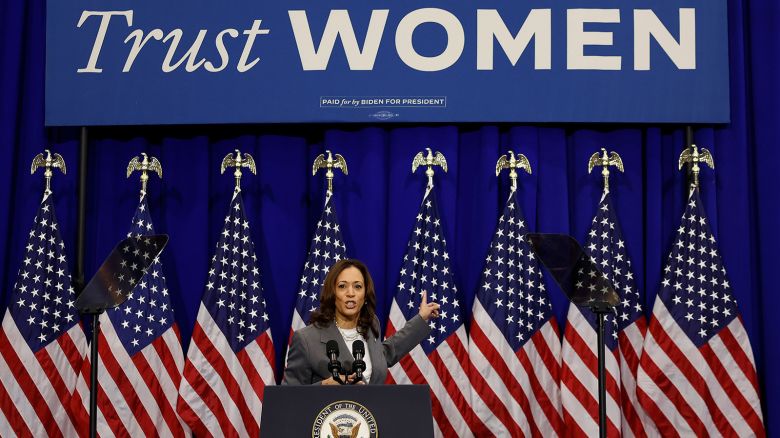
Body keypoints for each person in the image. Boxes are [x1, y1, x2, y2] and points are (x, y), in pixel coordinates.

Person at [283, 259, 440, 385]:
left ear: (365, 295)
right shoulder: (306, 339)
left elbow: (384, 354)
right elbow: (289, 397)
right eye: (342, 286)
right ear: (332, 293)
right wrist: (323, 387)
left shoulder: (371, 325)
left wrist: (421, 319)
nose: (350, 293)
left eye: (357, 287)